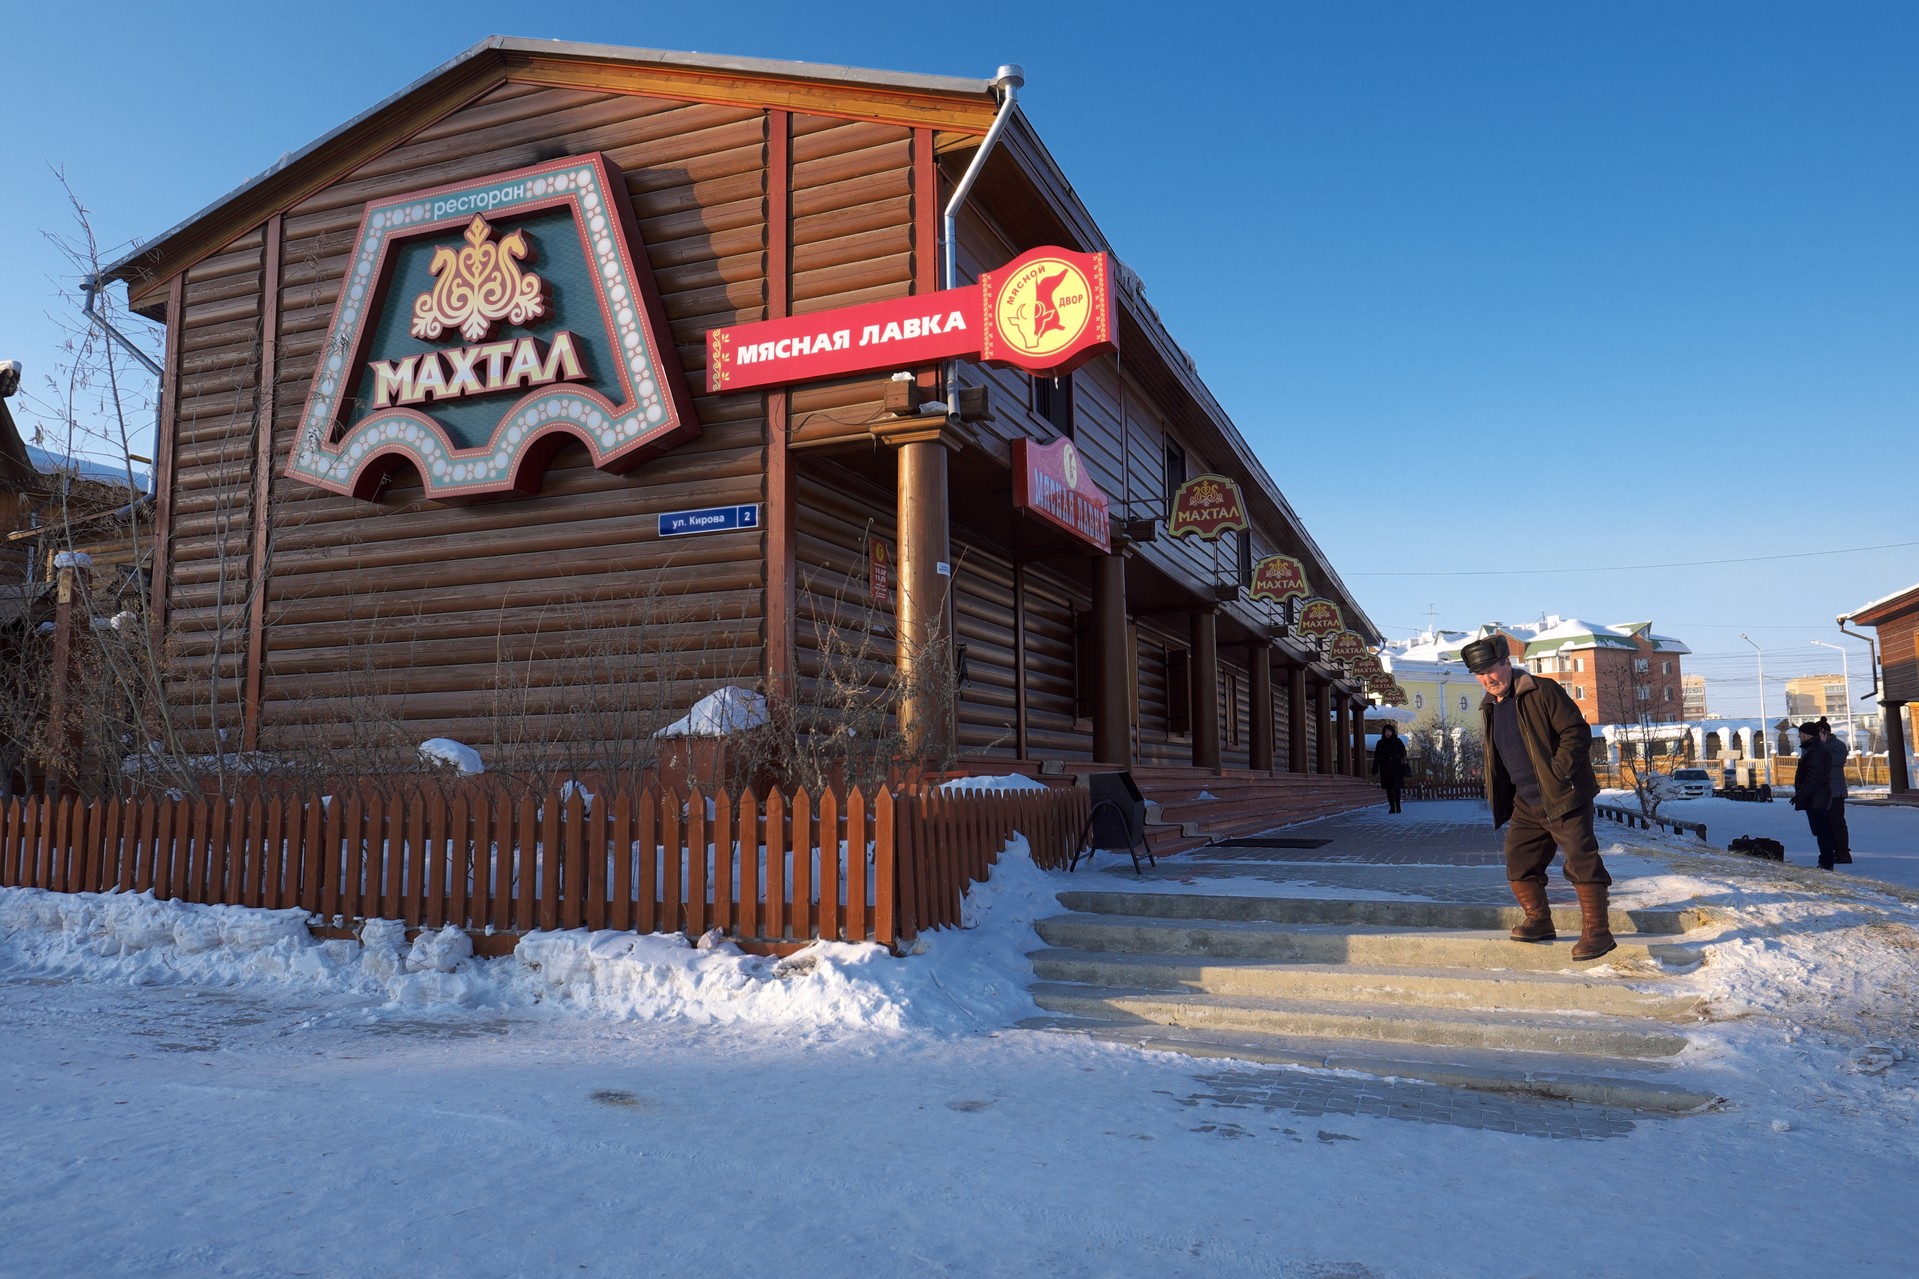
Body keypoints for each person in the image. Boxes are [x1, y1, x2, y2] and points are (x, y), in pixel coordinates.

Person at [1460, 637, 1614, 961]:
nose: (1488, 679)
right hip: (1527, 802)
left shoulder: (1541, 691)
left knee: (1581, 861)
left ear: (1506, 663)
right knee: (1519, 862)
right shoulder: (1489, 706)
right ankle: (1539, 921)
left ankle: (1598, 934)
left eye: (1491, 670)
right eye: (1479, 674)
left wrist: (1559, 773)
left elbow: (1576, 732)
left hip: (1563, 796)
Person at [1792, 720, 1835, 869]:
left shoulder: (1815, 750)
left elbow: (1813, 778)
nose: (1799, 737)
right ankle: (1826, 860)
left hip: (1817, 797)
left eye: (1800, 734)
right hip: (1817, 796)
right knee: (1822, 830)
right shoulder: (1814, 748)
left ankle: (1826, 862)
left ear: (1805, 734)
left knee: (1822, 831)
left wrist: (1800, 795)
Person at [1818, 718, 1853, 865]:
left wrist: (1821, 748)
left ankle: (1843, 852)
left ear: (1824, 733)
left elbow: (1829, 761)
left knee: (1837, 823)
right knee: (1826, 824)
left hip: (1836, 791)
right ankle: (1832, 851)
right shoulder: (1819, 746)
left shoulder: (1838, 746)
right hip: (1823, 792)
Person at [1372, 721, 1409, 813]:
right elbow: (1377, 756)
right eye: (1386, 731)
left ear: (1392, 732)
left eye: (1389, 731)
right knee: (1389, 788)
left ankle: (1398, 806)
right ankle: (1392, 807)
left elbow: (1403, 752)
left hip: (1396, 767)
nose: (1387, 733)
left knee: (1396, 787)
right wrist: (1375, 767)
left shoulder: (1397, 741)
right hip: (1385, 768)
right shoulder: (1380, 743)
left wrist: (1398, 755)